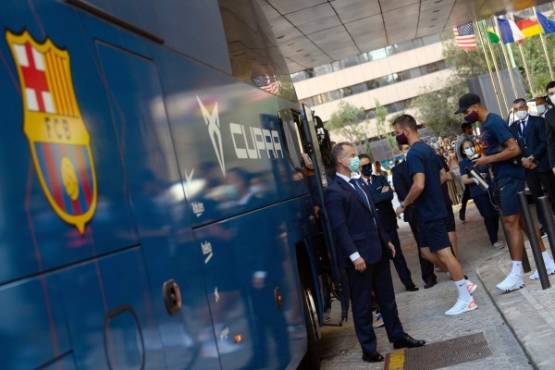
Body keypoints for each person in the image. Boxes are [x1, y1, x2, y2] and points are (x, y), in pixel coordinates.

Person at [325, 142, 425, 362]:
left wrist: (386, 241)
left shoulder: (359, 182)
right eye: (351, 156)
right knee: (362, 305)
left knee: (388, 298)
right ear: (340, 161)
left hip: (377, 249)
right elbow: (339, 228)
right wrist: (354, 255)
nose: (355, 159)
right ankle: (369, 350)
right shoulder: (333, 191)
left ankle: (397, 336)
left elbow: (373, 216)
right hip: (359, 258)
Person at [456, 93, 555, 288]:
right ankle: (547, 262)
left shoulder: (493, 122)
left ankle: (517, 274)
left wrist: (487, 160)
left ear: (475, 107)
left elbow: (514, 149)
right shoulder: (485, 125)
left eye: (466, 112)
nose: (465, 116)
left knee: (510, 222)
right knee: (525, 222)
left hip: (510, 178)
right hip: (503, 177)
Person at [392, 114, 478, 316]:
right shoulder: (427, 149)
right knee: (428, 252)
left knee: (444, 254)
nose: (397, 137)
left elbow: (419, 184)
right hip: (434, 208)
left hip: (430, 211)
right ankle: (464, 284)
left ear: (405, 131)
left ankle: (466, 298)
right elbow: (440, 176)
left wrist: (404, 203)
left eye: (397, 133)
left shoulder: (414, 154)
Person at [359, 154, 418, 292]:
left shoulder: (380, 178)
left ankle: (408, 283)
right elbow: (364, 203)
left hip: (388, 223)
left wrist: (373, 198)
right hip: (372, 228)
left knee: (397, 254)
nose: (368, 167)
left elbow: (389, 195)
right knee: (378, 259)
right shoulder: (358, 185)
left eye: (369, 164)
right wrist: (378, 195)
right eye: (364, 166)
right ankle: (381, 291)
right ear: (359, 168)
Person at [392, 145, 438, 289]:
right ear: (401, 150)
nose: (408, 150)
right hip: (414, 212)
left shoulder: (423, 161)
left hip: (431, 208)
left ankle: (452, 268)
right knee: (422, 245)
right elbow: (401, 193)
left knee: (440, 239)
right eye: (405, 148)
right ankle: (429, 276)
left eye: (409, 147)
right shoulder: (398, 170)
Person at [509, 98, 555, 228]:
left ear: (527, 108)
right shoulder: (513, 127)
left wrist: (533, 158)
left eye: (521, 108)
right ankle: (545, 225)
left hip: (542, 164)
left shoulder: (539, 121)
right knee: (536, 197)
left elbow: (544, 142)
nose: (519, 111)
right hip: (527, 169)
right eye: (516, 109)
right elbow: (513, 148)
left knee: (552, 192)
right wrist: (522, 160)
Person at [459, 139, 503, 249]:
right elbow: (464, 180)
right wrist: (477, 179)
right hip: (478, 193)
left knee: (495, 214)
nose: (470, 149)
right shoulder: (464, 163)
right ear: (463, 151)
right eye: (466, 148)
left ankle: (495, 235)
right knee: (487, 216)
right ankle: (494, 240)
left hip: (490, 190)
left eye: (471, 146)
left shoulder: (482, 157)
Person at [455, 122, 475, 222]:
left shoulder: (460, 139)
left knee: (467, 191)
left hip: (464, 166)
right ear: (467, 129)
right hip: (467, 166)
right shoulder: (465, 140)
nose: (472, 129)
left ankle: (462, 210)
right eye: (471, 128)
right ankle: (462, 210)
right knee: (468, 189)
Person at [544, 82, 555, 189]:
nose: (554, 96)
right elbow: (550, 142)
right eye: (551, 94)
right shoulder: (549, 115)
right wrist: (553, 165)